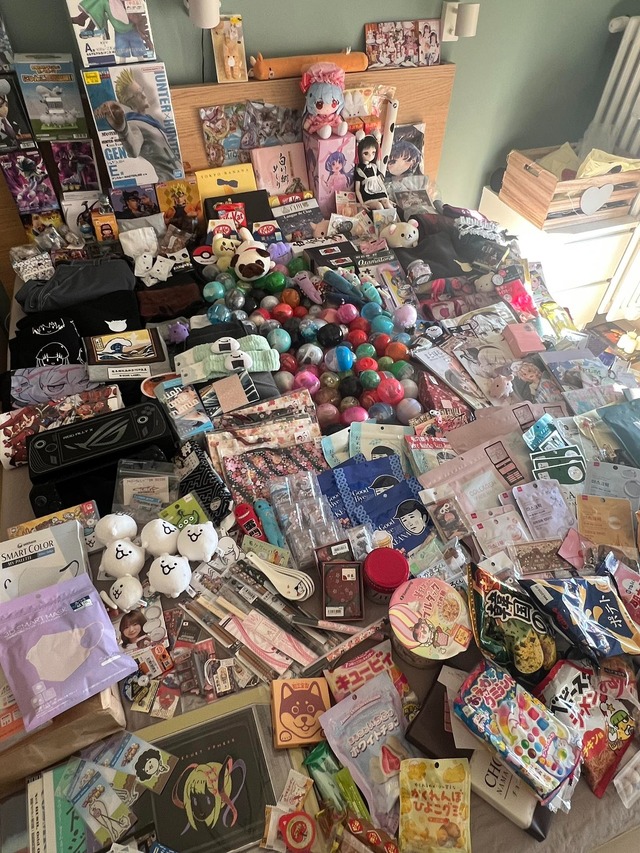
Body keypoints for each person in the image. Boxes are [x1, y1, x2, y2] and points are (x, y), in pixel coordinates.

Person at [94, 68, 182, 183]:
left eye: (142, 90)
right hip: (168, 181)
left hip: (178, 176)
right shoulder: (133, 124)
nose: (144, 95)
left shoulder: (150, 120)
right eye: (137, 94)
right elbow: (133, 151)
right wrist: (123, 130)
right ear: (128, 101)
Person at [354, 134, 394, 210]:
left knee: (387, 204)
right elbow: (357, 190)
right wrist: (362, 203)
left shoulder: (374, 167)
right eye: (366, 153)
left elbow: (381, 183)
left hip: (379, 192)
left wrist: (387, 197)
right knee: (379, 206)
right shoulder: (359, 170)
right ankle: (381, 218)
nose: (370, 156)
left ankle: (395, 217)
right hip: (368, 196)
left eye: (373, 152)